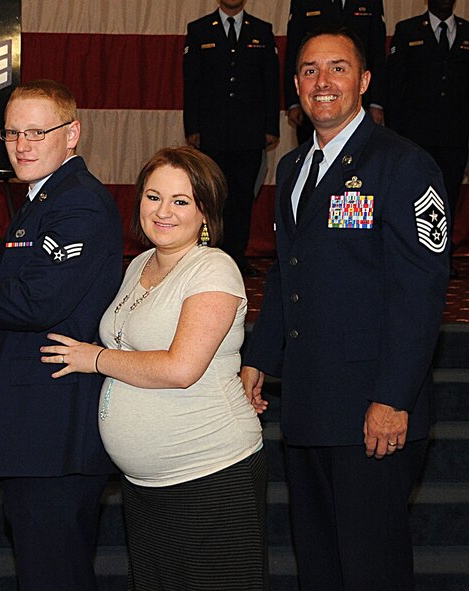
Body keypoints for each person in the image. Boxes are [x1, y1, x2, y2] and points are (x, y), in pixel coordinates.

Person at [241, 27, 450, 590]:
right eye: (309, 70)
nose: (322, 82)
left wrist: (391, 398)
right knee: (321, 567)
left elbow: (421, 293)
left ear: (363, 81)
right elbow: (290, 271)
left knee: (370, 570)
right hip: (309, 406)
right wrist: (260, 356)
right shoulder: (290, 171)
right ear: (296, 87)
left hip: (372, 413)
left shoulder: (403, 165)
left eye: (337, 68)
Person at [40, 146, 267, 590]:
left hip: (210, 475)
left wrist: (95, 359)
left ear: (205, 212)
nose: (163, 211)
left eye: (180, 201)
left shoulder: (213, 268)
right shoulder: (140, 264)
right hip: (146, 483)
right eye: (153, 196)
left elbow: (181, 368)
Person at [0, 80, 123, 590]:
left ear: (72, 133)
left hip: (56, 431)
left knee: (54, 573)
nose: (23, 144)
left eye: (38, 131)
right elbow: (14, 322)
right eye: (13, 132)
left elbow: (38, 302)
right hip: (37, 431)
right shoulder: (42, 201)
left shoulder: (79, 203)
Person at [183, 0, 280, 277]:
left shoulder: (262, 30)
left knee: (241, 198)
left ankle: (237, 257)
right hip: (211, 133)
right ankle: (209, 256)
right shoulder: (199, 30)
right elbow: (191, 83)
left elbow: (270, 82)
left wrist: (271, 125)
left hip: (249, 133)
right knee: (212, 197)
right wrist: (192, 127)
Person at [387, 0, 468, 276]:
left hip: (456, 135)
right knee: (413, 197)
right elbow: (395, 84)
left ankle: (443, 256)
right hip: (415, 136)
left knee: (449, 196)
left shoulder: (467, 32)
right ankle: (411, 254)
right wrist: (394, 135)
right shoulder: (407, 30)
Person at [284, 0, 386, 144]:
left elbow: (378, 54)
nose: (322, 82)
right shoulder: (289, 165)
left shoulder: (404, 161)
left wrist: (377, 103)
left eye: (338, 69)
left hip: (361, 98)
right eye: (312, 71)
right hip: (312, 113)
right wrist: (293, 102)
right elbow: (293, 53)